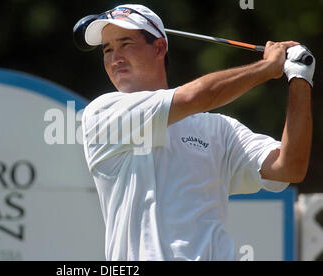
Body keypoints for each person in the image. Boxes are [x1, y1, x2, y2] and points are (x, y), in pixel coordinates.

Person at [80, 4, 314, 260]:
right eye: (108, 49)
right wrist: (267, 68)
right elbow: (197, 96)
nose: (115, 58)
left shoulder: (218, 129)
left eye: (125, 44)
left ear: (159, 47)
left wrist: (300, 77)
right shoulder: (102, 113)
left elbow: (289, 167)